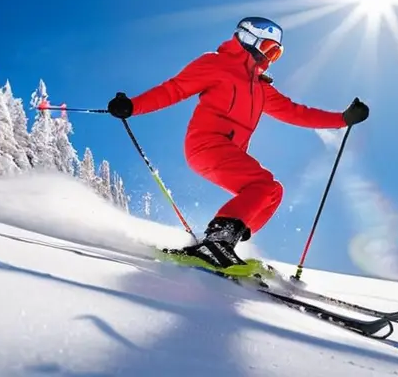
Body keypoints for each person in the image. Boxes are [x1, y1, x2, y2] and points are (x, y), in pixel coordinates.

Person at [107, 16, 370, 268]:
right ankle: (216, 241)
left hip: (229, 152)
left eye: (276, 54)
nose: (269, 57)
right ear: (247, 38)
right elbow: (173, 90)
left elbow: (295, 112)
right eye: (268, 48)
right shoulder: (216, 63)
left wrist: (342, 119)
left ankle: (226, 242)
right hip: (206, 144)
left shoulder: (261, 88)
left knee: (272, 192)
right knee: (262, 183)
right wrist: (132, 106)